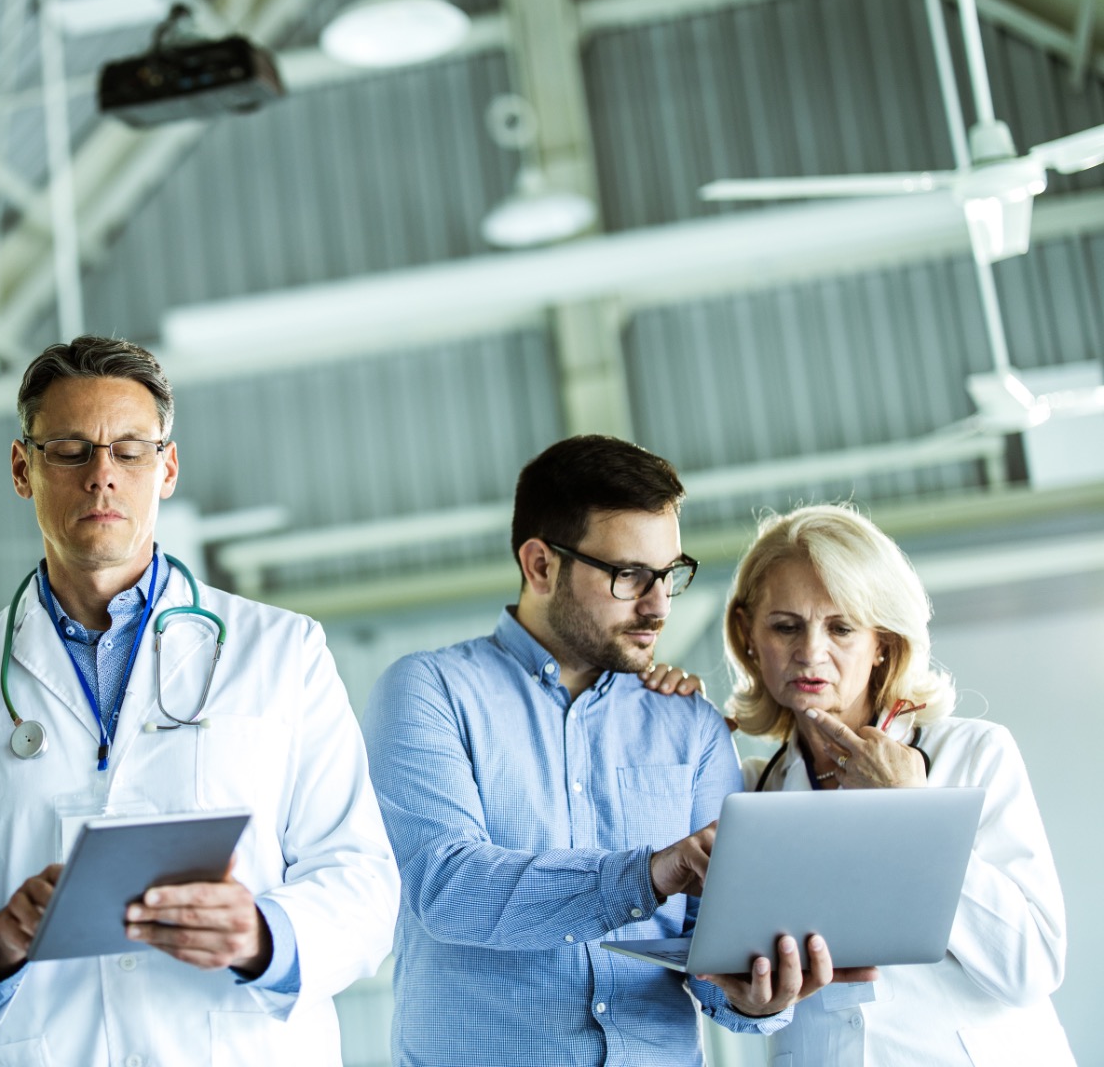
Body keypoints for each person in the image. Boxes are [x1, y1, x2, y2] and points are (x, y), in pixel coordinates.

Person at [0, 336, 399, 1064]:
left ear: (167, 468)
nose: (102, 475)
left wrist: (262, 936)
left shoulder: (283, 654)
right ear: (20, 467)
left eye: (130, 450)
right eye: (69, 450)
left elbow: (364, 888)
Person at [362, 435, 871, 1066]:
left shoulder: (690, 725)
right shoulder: (430, 691)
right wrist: (652, 873)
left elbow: (715, 956)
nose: (658, 606)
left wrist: (756, 1000)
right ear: (541, 565)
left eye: (668, 575)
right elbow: (447, 888)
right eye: (630, 576)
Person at [727, 504, 1074, 1066]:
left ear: (883, 642)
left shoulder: (974, 755)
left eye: (841, 628)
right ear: (748, 634)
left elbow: (1030, 967)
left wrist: (911, 812)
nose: (810, 652)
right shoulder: (750, 792)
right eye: (785, 626)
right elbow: (741, 985)